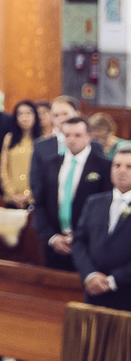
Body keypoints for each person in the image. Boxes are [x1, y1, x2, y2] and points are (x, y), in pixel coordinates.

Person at [32, 116, 112, 272]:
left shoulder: (103, 166)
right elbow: (40, 203)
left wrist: (80, 238)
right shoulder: (51, 164)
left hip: (89, 247)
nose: (71, 140)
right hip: (56, 244)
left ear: (89, 136)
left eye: (77, 135)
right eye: (67, 135)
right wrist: (52, 237)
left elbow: (105, 209)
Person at [71, 143, 131, 311]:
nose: (121, 170)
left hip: (126, 294)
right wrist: (90, 275)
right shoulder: (94, 202)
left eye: (129, 166)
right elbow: (79, 241)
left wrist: (113, 281)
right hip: (94, 291)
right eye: (117, 165)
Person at [29, 96, 100, 209]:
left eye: (65, 114)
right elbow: (36, 183)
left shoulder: (94, 146)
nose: (61, 119)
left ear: (77, 114)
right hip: (50, 214)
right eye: (56, 115)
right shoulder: (41, 146)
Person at [0, 100, 41, 207]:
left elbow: (43, 172)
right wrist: (12, 193)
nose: (24, 117)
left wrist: (28, 194)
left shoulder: (41, 140)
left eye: (28, 113)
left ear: (35, 116)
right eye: (20, 114)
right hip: (12, 198)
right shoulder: (9, 138)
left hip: (33, 198)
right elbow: (3, 168)